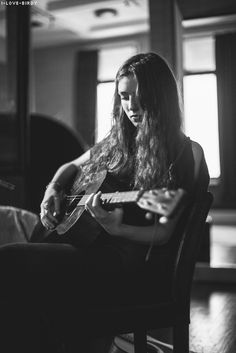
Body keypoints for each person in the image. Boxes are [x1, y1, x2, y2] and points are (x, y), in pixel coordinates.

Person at [0, 52, 209, 353]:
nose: (131, 107)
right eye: (124, 97)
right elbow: (71, 166)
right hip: (90, 247)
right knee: (23, 282)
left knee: (9, 260)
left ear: (161, 96)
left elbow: (163, 234)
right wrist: (53, 190)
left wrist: (118, 228)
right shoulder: (119, 140)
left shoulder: (186, 151)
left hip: (126, 266)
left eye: (140, 96)